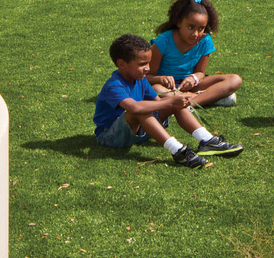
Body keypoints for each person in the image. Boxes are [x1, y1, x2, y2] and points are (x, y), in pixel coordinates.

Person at [95, 34, 240, 168]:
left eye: (149, 63)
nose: (148, 68)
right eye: (142, 64)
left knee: (169, 103)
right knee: (142, 109)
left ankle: (207, 141)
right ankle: (178, 151)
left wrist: (175, 101)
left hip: (138, 132)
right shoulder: (114, 85)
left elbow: (158, 101)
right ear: (122, 64)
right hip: (111, 137)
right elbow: (135, 108)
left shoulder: (140, 79)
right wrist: (170, 102)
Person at [150, 0, 242, 110]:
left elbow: (200, 73)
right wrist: (161, 79)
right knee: (155, 89)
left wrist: (193, 79)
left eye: (201, 28)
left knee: (235, 80)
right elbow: (146, 77)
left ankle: (190, 103)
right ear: (178, 22)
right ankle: (208, 99)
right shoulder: (163, 41)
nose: (195, 34)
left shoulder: (205, 40)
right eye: (190, 27)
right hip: (166, 87)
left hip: (190, 86)